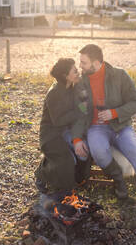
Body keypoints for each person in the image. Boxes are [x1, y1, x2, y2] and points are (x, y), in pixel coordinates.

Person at [72, 44, 136, 221]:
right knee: (98, 150)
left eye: (83, 62)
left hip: (121, 126)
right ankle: (118, 179)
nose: (80, 66)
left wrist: (114, 113)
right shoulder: (81, 82)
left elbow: (135, 103)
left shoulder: (120, 75)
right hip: (96, 128)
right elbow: (80, 112)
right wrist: (76, 138)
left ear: (96, 62)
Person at [35, 58, 91, 194]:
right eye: (75, 71)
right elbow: (58, 121)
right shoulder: (54, 93)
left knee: (84, 153)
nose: (78, 72)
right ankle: (42, 173)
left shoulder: (72, 87)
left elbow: (83, 109)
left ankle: (78, 179)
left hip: (67, 131)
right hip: (51, 135)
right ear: (66, 76)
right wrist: (79, 110)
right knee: (68, 161)